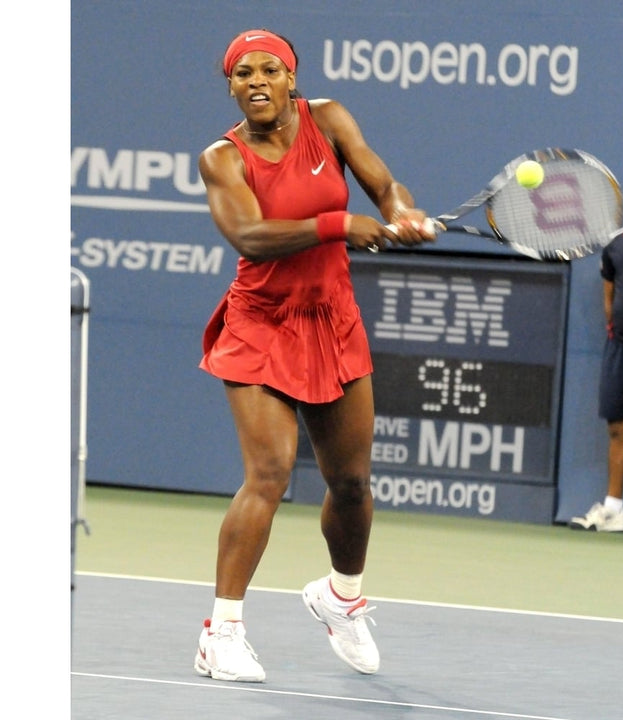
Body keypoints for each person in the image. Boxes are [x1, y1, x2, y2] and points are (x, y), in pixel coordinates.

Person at [192, 29, 435, 683]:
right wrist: (338, 224)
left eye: (270, 68)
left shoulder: (327, 120)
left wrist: (401, 211)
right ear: (233, 87)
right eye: (242, 72)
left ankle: (341, 597)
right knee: (268, 473)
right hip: (261, 325)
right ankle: (222, 632)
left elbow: (382, 183)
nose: (257, 80)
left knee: (352, 485)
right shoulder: (223, 157)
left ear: (291, 79)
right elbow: (249, 235)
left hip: (332, 322)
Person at [569, 169, 623, 532]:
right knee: (618, 430)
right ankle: (614, 510)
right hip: (620, 349)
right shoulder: (616, 245)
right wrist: (616, 329)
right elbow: (609, 299)